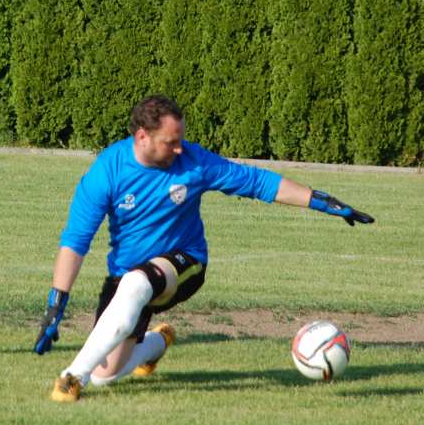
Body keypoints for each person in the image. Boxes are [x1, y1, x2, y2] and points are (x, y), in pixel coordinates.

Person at [32, 94, 374, 402]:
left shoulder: (195, 163)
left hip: (185, 263)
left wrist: (320, 201)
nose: (180, 149)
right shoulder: (105, 173)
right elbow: (76, 241)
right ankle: (156, 343)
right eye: (171, 142)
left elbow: (257, 182)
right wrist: (56, 302)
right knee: (106, 374)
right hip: (126, 275)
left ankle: (71, 378)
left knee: (137, 285)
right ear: (142, 137)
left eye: (181, 140)